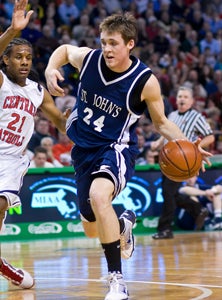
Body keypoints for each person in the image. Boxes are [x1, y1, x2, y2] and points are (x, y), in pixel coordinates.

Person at [45, 13, 211, 300]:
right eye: (104, 42)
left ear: (129, 44)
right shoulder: (89, 59)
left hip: (115, 148)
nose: (107, 49)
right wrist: (50, 68)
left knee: (99, 197)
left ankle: (117, 281)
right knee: (89, 227)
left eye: (114, 43)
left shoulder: (144, 81)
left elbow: (160, 123)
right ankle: (123, 225)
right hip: (82, 150)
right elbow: (63, 51)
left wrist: (188, 145)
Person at [0, 0, 68, 290]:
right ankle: (4, 267)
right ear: (6, 60)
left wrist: (78, 126)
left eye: (28, 57)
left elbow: (62, 124)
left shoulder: (38, 92)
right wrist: (11, 30)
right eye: (18, 57)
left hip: (12, 160)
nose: (25, 61)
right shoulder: (1, 81)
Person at [151, 86, 215, 239]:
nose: (182, 99)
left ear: (192, 101)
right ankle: (197, 209)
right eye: (180, 96)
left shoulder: (196, 116)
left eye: (186, 97)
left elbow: (210, 136)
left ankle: (165, 228)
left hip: (183, 161)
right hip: (168, 160)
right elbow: (165, 132)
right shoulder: (172, 115)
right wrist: (158, 143)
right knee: (171, 194)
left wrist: (197, 147)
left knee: (168, 193)